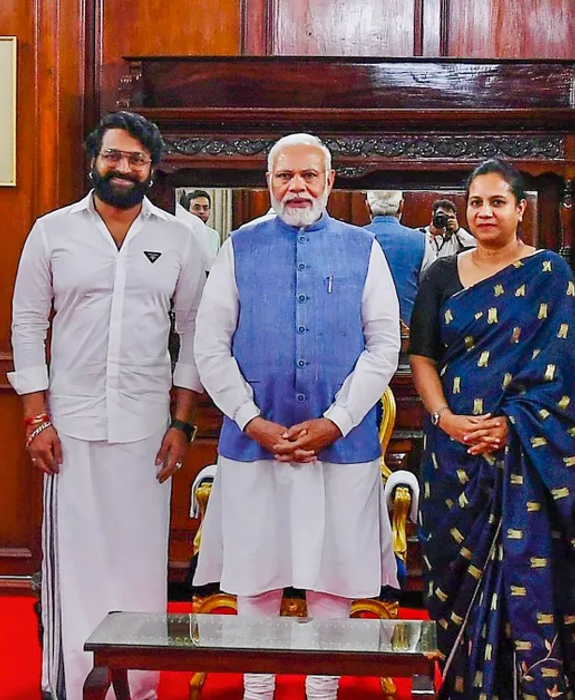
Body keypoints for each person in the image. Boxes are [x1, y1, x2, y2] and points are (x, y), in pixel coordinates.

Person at [193, 133, 399, 700]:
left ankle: (322, 689)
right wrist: (250, 419)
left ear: (331, 182)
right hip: (256, 442)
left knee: (333, 574)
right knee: (254, 573)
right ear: (269, 183)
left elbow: (383, 346)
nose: (298, 186)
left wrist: (336, 421)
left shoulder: (363, 249)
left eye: (310, 175)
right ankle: (258, 687)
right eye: (285, 176)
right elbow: (209, 346)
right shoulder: (239, 245)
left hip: (341, 445)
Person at [10, 111, 206, 700]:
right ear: (93, 161)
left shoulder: (178, 238)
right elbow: (25, 326)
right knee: (74, 560)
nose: (124, 168)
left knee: (141, 562)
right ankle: (70, 683)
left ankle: (137, 687)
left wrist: (182, 421)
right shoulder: (51, 232)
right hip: (67, 424)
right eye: (114, 157)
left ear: (151, 169)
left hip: (148, 423)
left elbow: (195, 331)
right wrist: (35, 416)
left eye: (137, 159)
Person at [408, 158, 575, 700]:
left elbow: (565, 373)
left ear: (520, 209)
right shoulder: (441, 275)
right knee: (452, 576)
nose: (485, 212)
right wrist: (446, 419)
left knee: (532, 573)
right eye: (476, 203)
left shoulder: (549, 275)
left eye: (497, 202)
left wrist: (511, 427)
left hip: (529, 460)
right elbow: (422, 356)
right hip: (454, 455)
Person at [363, 190, 427, 326]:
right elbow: (431, 291)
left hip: (364, 331)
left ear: (367, 206)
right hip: (410, 332)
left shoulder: (353, 240)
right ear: (401, 205)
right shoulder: (422, 241)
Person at [420, 199, 476, 271]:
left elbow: (475, 247)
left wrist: (458, 230)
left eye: (449, 217)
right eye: (440, 215)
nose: (442, 219)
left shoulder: (457, 237)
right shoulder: (421, 233)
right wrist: (430, 234)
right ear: (433, 214)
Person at [178, 189, 221, 272]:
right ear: (187, 211)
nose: (201, 211)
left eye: (205, 208)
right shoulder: (181, 232)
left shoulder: (214, 235)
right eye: (196, 208)